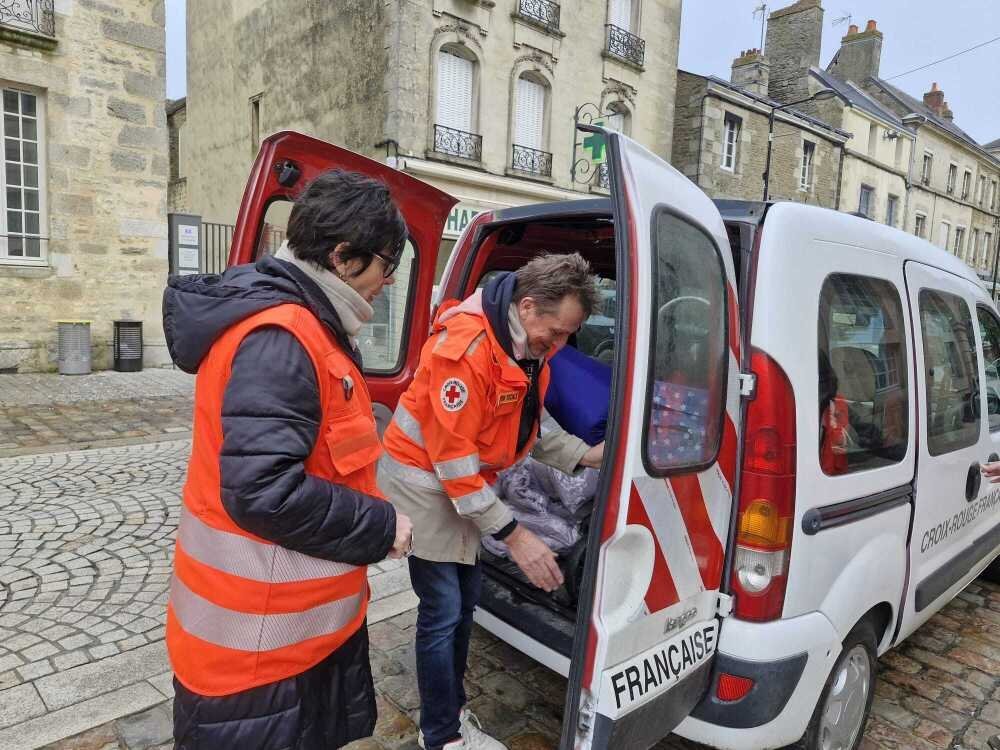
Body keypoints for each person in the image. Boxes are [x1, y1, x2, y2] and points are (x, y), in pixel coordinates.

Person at [162, 170, 413, 749]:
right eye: (384, 263)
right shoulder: (282, 336)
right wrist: (382, 525)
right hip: (255, 657)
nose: (388, 279)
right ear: (345, 258)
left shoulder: (308, 326)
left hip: (295, 638)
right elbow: (264, 492)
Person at [379, 253, 605, 750]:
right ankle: (441, 736)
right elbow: (453, 463)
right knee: (443, 612)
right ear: (527, 307)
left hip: (463, 491)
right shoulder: (465, 349)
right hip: (425, 491)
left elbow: (530, 422)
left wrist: (589, 454)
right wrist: (515, 534)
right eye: (560, 331)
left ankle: (451, 716)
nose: (562, 345)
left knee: (463, 605)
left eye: (571, 335)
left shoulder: (523, 347)